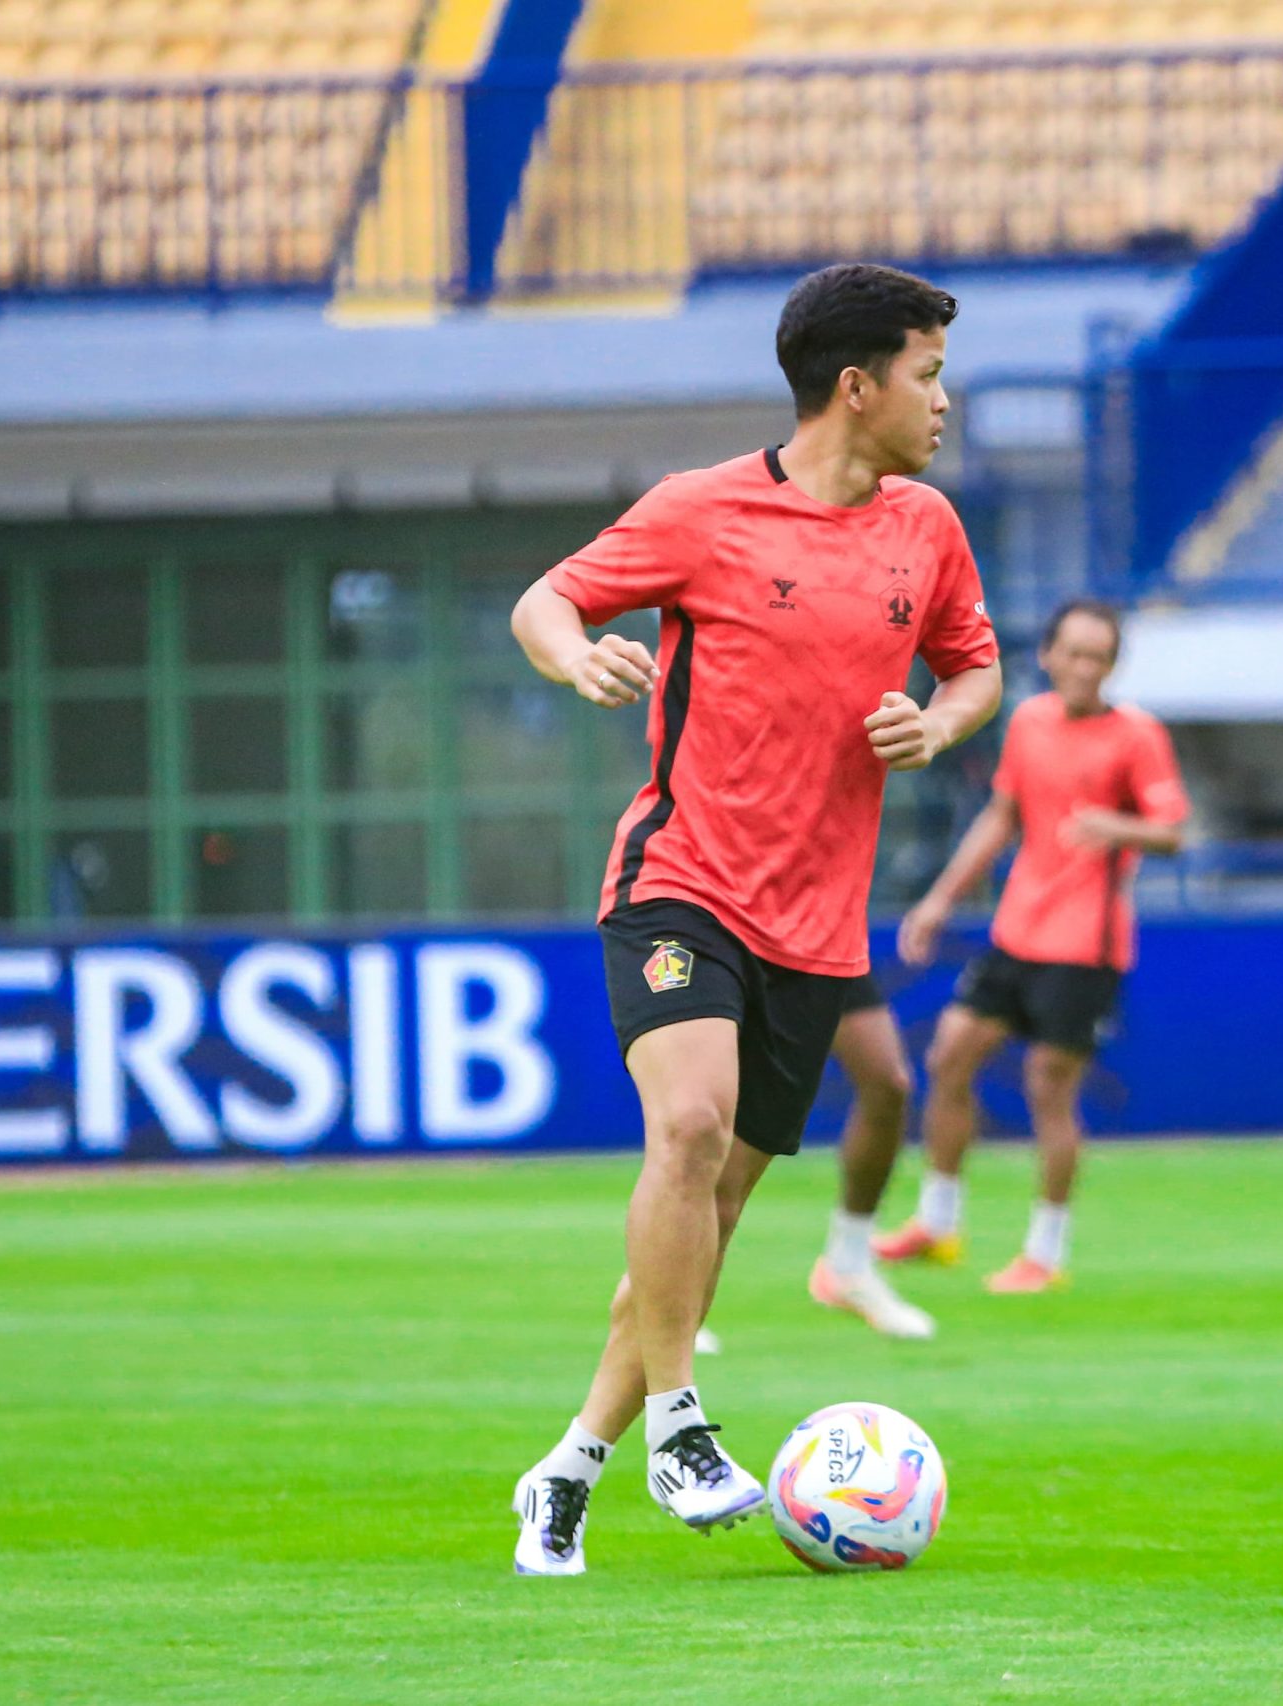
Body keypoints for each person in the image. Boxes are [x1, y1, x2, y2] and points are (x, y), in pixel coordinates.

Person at [503, 263, 1002, 1576]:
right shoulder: (700, 510)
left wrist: (938, 721)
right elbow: (547, 600)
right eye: (929, 373)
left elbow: (975, 666)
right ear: (859, 385)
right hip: (681, 878)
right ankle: (680, 1423)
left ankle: (569, 1467)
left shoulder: (926, 529)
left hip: (817, 927)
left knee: (707, 1212)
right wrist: (581, 656)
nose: (943, 400)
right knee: (687, 1125)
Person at [872, 600, 1190, 1293]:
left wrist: (1118, 826)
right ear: (1047, 655)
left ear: (1112, 667)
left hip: (1088, 944)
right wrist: (939, 900)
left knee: (1051, 1088)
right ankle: (939, 1221)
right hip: (1018, 930)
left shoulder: (1136, 736)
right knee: (949, 1055)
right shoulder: (1028, 721)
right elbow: (1003, 817)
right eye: (1072, 652)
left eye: (1098, 657)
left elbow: (1172, 831)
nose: (1083, 668)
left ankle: (1043, 1253)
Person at [803, 976, 936, 1338]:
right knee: (704, 1115)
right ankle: (665, 1298)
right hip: (727, 932)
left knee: (888, 1083)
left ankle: (847, 1266)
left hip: (822, 936)